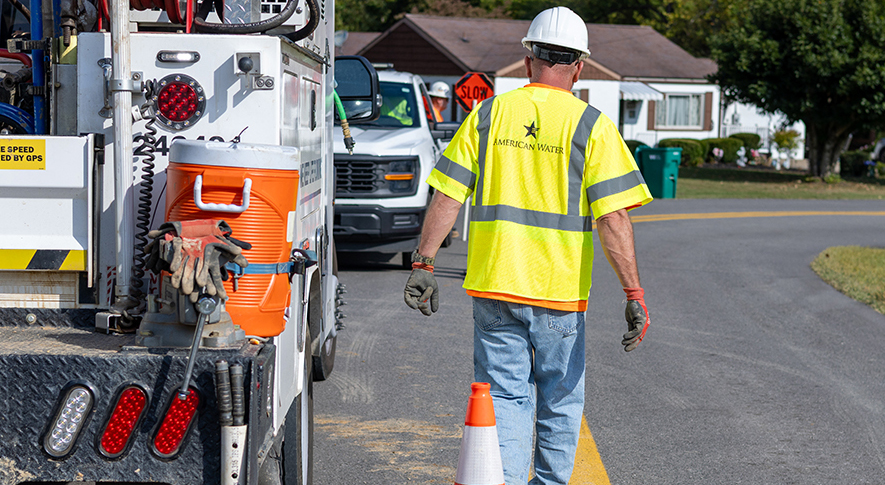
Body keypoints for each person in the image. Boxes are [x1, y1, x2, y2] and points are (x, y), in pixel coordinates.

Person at [402, 6, 653, 485]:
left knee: (505, 400)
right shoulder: (592, 126)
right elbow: (614, 217)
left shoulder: (489, 114)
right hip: (559, 295)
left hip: (496, 288)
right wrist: (633, 294)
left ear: (528, 58)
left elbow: (448, 193)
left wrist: (424, 263)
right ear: (579, 66)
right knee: (560, 400)